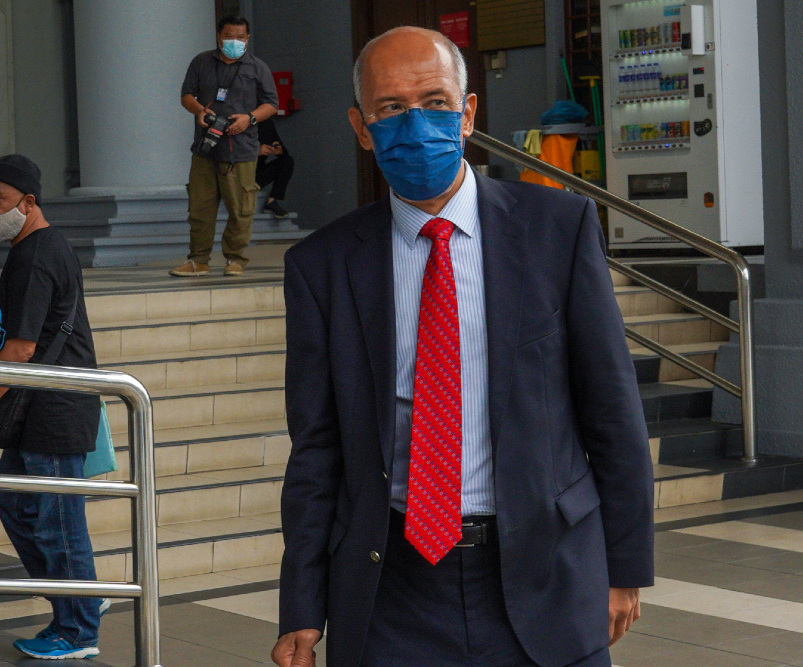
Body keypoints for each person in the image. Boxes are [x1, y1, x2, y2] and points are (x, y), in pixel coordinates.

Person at [274, 26, 654, 667]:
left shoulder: (557, 231)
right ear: (362, 128)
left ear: (469, 113)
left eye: (434, 101)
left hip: (545, 574)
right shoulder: (323, 266)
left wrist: (625, 564)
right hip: (393, 593)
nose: (415, 123)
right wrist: (303, 608)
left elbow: (613, 412)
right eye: (391, 109)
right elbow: (316, 451)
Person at [0, 155, 107, 661]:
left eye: (0, 199)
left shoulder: (37, 255)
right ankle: (75, 603)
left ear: (29, 202)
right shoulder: (40, 247)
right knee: (15, 503)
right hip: (42, 409)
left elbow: (20, 350)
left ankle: (79, 629)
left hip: (53, 413)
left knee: (58, 524)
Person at [171, 14, 279, 278]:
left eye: (240, 37)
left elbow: (271, 104)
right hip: (205, 147)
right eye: (229, 36)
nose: (234, 41)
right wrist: (198, 110)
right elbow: (186, 94)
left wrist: (249, 118)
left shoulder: (257, 67)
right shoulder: (201, 62)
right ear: (219, 36)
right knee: (199, 208)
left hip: (240, 148)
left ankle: (235, 259)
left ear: (248, 38)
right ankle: (199, 260)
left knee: (241, 209)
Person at [256, 118, 294, 218]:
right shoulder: (239, 120)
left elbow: (279, 146)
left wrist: (279, 149)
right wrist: (256, 151)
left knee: (287, 161)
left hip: (257, 173)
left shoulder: (265, 122)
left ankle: (272, 201)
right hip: (239, 171)